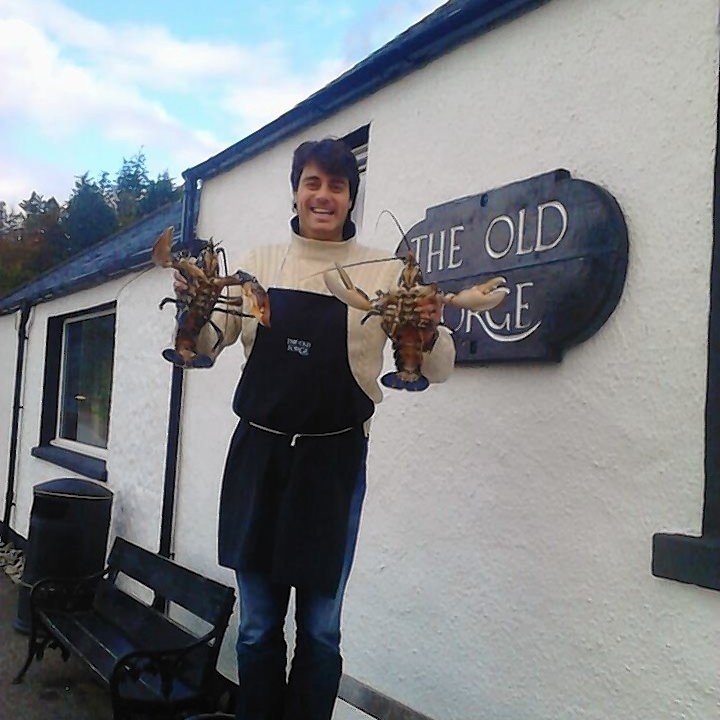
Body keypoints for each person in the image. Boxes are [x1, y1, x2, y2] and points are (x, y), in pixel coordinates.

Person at [180, 138, 456, 719]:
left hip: (332, 466)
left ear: (351, 196)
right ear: (296, 190)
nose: (323, 196)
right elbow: (206, 347)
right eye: (312, 182)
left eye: (336, 185)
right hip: (257, 459)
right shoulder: (261, 264)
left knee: (322, 630)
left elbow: (439, 368)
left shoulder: (384, 270)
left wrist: (428, 330)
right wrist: (195, 314)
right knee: (256, 629)